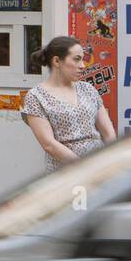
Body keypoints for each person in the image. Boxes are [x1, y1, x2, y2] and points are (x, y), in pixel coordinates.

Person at [21, 36, 116, 173]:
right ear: (57, 61)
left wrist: (109, 163)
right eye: (77, 59)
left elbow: (108, 132)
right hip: (66, 175)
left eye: (82, 59)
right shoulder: (36, 96)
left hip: (100, 169)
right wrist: (85, 168)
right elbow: (49, 144)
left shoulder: (88, 89)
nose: (83, 65)